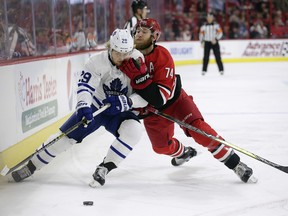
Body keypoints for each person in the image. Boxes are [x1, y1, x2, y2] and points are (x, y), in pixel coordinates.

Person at [119, 18, 257, 184]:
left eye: (144, 32)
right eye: (138, 31)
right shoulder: (126, 58)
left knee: (200, 131)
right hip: (152, 112)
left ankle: (236, 164)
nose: (139, 34)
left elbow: (160, 97)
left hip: (176, 102)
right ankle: (184, 153)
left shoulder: (162, 56)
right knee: (160, 148)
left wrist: (141, 81)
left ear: (154, 36)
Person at [11, 29, 148, 187]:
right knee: (63, 139)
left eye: (126, 53)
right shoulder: (96, 61)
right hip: (97, 106)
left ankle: (104, 168)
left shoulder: (138, 59)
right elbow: (85, 87)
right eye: (119, 53)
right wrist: (83, 106)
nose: (123, 58)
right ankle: (31, 166)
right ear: (111, 48)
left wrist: (128, 102)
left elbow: (146, 94)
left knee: (134, 131)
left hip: (120, 111)